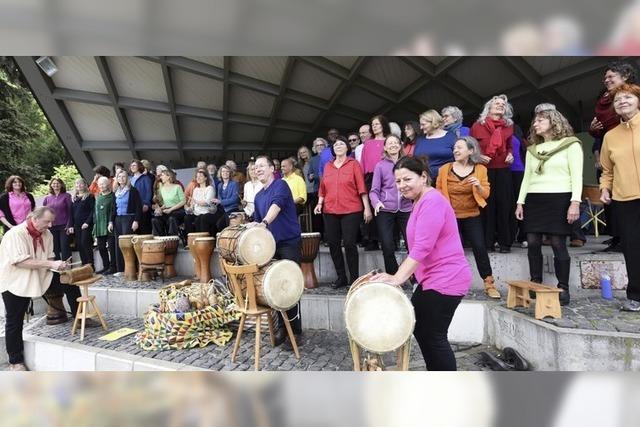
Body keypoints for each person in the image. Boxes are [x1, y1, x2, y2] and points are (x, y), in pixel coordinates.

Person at [370, 156, 471, 371]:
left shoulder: (432, 201)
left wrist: (397, 277)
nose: (402, 185)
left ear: (423, 176)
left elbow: (423, 247)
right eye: (398, 181)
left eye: (407, 179)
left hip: (447, 278)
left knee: (433, 335)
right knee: (423, 330)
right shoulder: (419, 202)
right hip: (431, 279)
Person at [515, 106, 583, 306]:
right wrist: (520, 202)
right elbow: (526, 178)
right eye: (535, 122)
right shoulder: (532, 150)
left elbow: (576, 176)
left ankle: (563, 288)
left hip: (560, 198)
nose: (535, 124)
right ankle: (535, 283)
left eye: (540, 121)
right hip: (535, 199)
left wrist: (575, 202)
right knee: (533, 242)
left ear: (554, 122)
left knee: (557, 244)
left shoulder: (571, 145)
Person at [0, 206, 69, 371]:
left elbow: (50, 255)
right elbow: (20, 262)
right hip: (15, 282)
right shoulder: (15, 234)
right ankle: (15, 362)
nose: (50, 225)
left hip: (40, 276)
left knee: (69, 281)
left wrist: (59, 266)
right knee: (14, 322)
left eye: (52, 222)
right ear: (34, 218)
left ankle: (81, 319)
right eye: (47, 222)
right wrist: (51, 263)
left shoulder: (47, 234)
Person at [436, 136, 498, 299]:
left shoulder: (480, 169)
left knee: (479, 247)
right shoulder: (445, 169)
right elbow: (438, 193)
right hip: (450, 217)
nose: (455, 150)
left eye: (459, 148)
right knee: (450, 250)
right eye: (454, 148)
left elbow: (486, 194)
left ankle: (489, 283)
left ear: (471, 150)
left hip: (472, 215)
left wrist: (478, 185)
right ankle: (447, 283)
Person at [252, 155, 303, 342]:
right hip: (270, 247)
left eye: (261, 166)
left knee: (290, 286)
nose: (257, 169)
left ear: (272, 168)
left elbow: (277, 206)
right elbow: (257, 221)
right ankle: (283, 328)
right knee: (274, 289)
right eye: (255, 167)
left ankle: (295, 332)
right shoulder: (258, 196)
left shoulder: (280, 185)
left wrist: (264, 222)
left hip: (288, 242)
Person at [589, 61, 638, 253]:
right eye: (605, 77)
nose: (606, 80)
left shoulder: (632, 98)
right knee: (610, 196)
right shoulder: (604, 100)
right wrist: (592, 131)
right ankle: (617, 237)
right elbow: (601, 129)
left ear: (625, 76)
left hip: (630, 150)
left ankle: (625, 238)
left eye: (611, 76)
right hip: (609, 148)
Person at [600, 83, 640, 312]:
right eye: (618, 100)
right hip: (625, 198)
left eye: (628, 97)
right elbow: (607, 170)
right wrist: (605, 189)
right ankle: (636, 296)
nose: (622, 101)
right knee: (633, 248)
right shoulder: (610, 136)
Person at [315, 136, 372, 288]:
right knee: (333, 243)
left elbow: (361, 187)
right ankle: (341, 277)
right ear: (332, 149)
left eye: (341, 144)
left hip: (351, 209)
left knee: (349, 243)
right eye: (336, 144)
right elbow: (323, 188)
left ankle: (354, 278)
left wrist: (367, 208)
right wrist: (319, 203)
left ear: (347, 148)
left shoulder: (354, 164)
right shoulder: (328, 166)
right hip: (330, 209)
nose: (338, 146)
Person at [471, 94, 516, 253]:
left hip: (503, 169)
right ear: (488, 107)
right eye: (496, 103)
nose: (500, 106)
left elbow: (510, 146)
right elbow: (471, 147)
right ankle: (487, 242)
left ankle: (505, 243)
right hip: (484, 170)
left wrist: (510, 154)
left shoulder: (509, 126)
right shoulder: (477, 126)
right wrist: (477, 156)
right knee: (486, 206)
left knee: (504, 205)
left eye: (503, 104)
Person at [369, 135, 411, 274]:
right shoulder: (380, 166)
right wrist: (377, 203)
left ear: (400, 145)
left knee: (413, 244)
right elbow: (374, 191)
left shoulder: (408, 163)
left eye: (395, 143)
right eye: (389, 143)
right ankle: (393, 278)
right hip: (385, 209)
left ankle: (416, 278)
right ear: (385, 148)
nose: (393, 145)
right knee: (387, 246)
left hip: (406, 209)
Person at [109, 170, 142, 274]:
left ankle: (132, 269)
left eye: (124, 177)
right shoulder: (116, 192)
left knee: (128, 244)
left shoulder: (133, 191)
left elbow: (138, 207)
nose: (121, 179)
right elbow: (113, 208)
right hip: (118, 219)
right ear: (117, 179)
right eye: (119, 177)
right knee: (119, 244)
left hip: (129, 219)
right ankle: (121, 269)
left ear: (127, 178)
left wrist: (136, 221)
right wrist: (110, 221)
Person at [414, 110, 456, 179]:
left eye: (423, 124)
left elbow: (459, 158)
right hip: (424, 181)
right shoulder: (420, 139)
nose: (421, 127)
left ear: (433, 122)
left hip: (446, 180)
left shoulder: (450, 137)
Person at [42, 177, 73, 265]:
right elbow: (44, 212)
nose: (55, 185)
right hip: (52, 227)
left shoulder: (66, 196)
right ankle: (58, 269)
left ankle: (68, 268)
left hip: (64, 226)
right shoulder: (47, 198)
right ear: (51, 185)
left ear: (61, 185)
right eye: (54, 183)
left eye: (57, 183)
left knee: (65, 247)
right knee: (54, 248)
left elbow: (70, 211)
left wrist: (69, 225)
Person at [189, 168, 225, 237]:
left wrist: (195, 201)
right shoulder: (195, 189)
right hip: (196, 212)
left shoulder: (210, 188)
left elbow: (207, 202)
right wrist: (189, 208)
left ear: (205, 178)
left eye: (200, 176)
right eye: (197, 177)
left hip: (207, 211)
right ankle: (191, 240)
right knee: (187, 217)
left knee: (202, 218)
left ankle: (204, 240)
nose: (198, 178)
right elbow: (192, 204)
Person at [68, 178, 95, 268]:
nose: (79, 186)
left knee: (85, 242)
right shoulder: (74, 198)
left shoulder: (89, 196)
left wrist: (87, 222)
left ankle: (91, 265)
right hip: (77, 225)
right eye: (77, 184)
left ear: (85, 185)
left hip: (86, 224)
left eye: (81, 184)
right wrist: (71, 225)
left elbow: (93, 211)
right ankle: (84, 265)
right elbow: (71, 213)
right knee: (79, 244)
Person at [152, 169, 186, 236]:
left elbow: (183, 201)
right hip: (167, 210)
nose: (160, 177)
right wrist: (160, 209)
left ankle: (172, 239)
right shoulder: (162, 189)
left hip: (178, 210)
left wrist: (170, 209)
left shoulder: (177, 187)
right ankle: (160, 239)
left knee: (171, 218)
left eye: (162, 175)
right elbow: (166, 203)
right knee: (155, 219)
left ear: (168, 177)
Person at [93, 176, 116, 275]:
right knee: (101, 247)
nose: (101, 186)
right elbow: (95, 211)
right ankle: (105, 266)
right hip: (99, 226)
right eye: (100, 184)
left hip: (110, 224)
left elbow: (113, 210)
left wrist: (111, 222)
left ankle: (113, 267)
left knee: (111, 247)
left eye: (103, 184)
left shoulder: (113, 196)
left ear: (108, 184)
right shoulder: (98, 196)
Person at [307, 138, 327, 235]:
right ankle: (320, 237)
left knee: (328, 214)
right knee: (317, 215)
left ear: (325, 146)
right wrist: (312, 176)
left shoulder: (329, 157)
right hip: (316, 189)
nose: (319, 147)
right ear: (314, 148)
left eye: (321, 145)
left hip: (328, 189)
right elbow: (309, 176)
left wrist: (315, 176)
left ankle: (329, 237)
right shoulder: (312, 160)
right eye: (317, 145)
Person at [130, 160, 154, 234]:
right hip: (133, 207)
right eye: (131, 165)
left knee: (144, 229)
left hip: (143, 206)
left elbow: (148, 192)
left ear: (139, 166)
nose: (132, 167)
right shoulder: (130, 179)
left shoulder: (145, 178)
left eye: (134, 165)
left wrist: (146, 203)